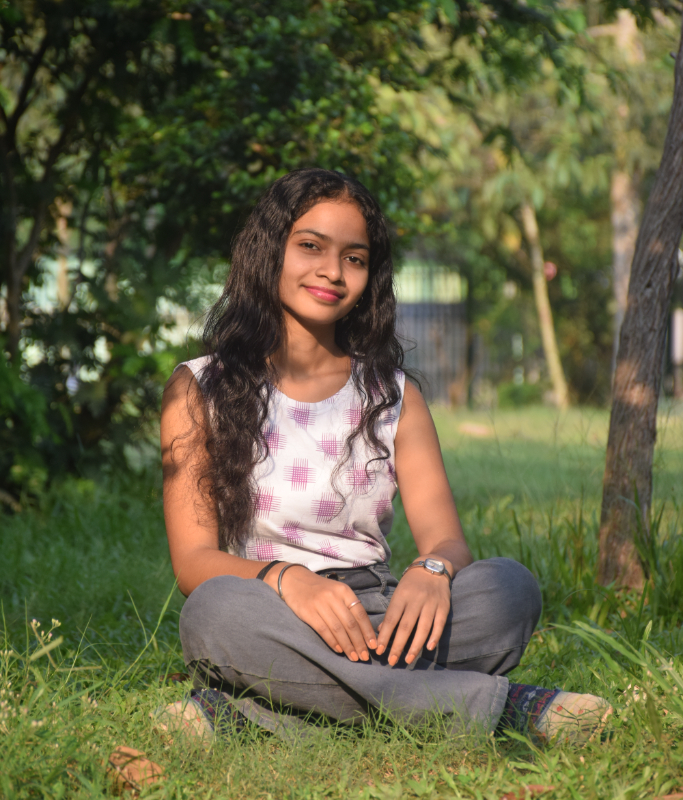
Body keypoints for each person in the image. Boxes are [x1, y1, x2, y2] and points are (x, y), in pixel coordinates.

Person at [159, 168, 611, 746]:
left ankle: (263, 715)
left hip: (386, 619)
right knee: (212, 612)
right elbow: (194, 562)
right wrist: (289, 581)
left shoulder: (395, 395)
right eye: (310, 247)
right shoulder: (198, 389)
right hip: (271, 609)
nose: (331, 271)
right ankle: (502, 711)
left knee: (509, 589)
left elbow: (447, 541)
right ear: (270, 249)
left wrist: (433, 571)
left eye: (354, 257)